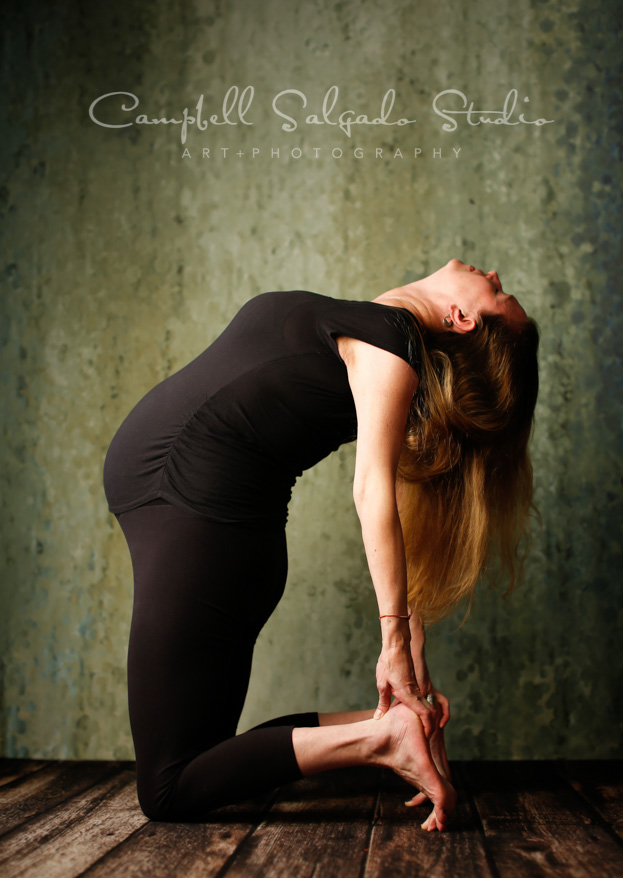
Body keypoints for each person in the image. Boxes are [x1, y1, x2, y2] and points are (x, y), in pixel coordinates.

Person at [103, 258, 539, 833]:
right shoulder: (382, 332)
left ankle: (380, 739)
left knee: (169, 785)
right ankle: (390, 726)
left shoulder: (393, 343)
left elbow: (374, 490)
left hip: (198, 526)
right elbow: (397, 508)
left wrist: (395, 645)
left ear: (460, 318)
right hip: (205, 533)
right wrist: (413, 672)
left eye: (497, 291)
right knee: (203, 758)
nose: (493, 273)